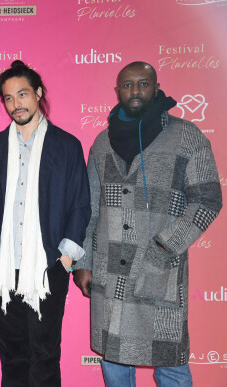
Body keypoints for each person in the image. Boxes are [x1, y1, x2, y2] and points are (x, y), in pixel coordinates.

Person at [73, 61, 222, 386]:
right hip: (109, 273)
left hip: (159, 270)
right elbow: (89, 209)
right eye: (128, 85)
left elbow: (208, 199)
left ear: (156, 88)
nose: (135, 90)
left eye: (143, 83)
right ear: (118, 91)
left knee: (170, 363)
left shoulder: (186, 137)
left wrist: (164, 246)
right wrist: (83, 262)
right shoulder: (101, 143)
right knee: (114, 362)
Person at [0, 60, 91, 386]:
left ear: (38, 93)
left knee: (44, 354)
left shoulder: (66, 146)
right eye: (9, 98)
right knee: (12, 354)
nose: (16, 104)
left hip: (47, 266)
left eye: (22, 94)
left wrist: (65, 255)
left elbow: (80, 203)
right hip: (0, 266)